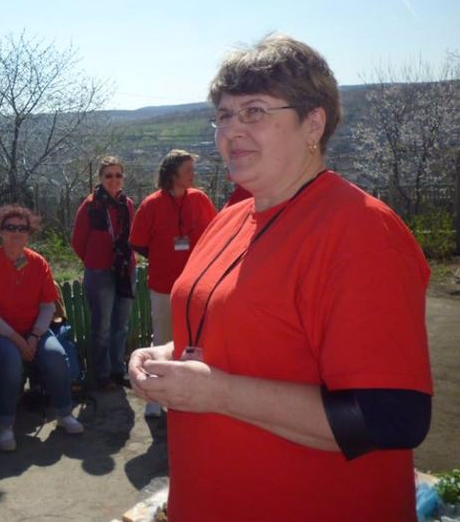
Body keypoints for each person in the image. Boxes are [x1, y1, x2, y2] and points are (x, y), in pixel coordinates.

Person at [129, 35, 432, 522]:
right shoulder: (231, 217)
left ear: (314, 122)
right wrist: (163, 355)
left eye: (254, 111)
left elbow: (390, 417)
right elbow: (229, 333)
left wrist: (217, 393)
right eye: (224, 115)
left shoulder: (359, 230)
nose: (232, 130)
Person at [0, 205, 83, 452]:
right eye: (10, 227)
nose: (16, 232)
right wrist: (17, 340)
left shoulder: (37, 262)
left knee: (55, 355)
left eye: (22, 228)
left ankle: (64, 413)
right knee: (11, 359)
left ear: (29, 233)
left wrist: (33, 336)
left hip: (32, 330)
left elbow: (47, 306)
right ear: (0, 232)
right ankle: (5, 425)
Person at [128, 150, 216, 417]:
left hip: (198, 287)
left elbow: (215, 232)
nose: (193, 175)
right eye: (188, 170)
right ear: (173, 173)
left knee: (198, 341)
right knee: (162, 338)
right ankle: (155, 400)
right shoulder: (152, 204)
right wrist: (163, 257)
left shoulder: (200, 199)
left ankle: (194, 394)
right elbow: (138, 241)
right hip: (164, 285)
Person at [71, 156, 136, 390]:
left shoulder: (127, 204)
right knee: (102, 327)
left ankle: (119, 369)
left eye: (118, 175)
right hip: (100, 273)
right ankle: (102, 374)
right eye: (108, 175)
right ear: (100, 178)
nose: (114, 180)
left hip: (125, 271)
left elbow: (132, 235)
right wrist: (94, 261)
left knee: (121, 324)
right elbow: (77, 241)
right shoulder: (90, 205)